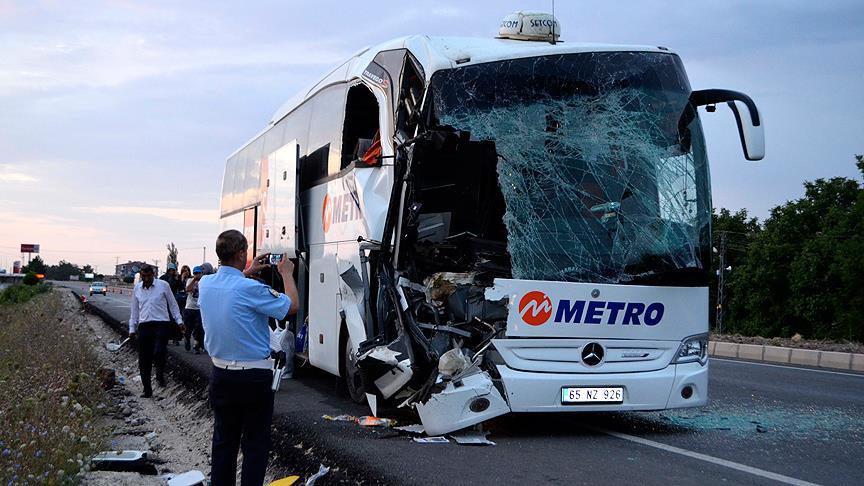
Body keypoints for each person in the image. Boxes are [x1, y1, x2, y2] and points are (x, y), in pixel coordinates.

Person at [199, 230, 298, 486]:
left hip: (220, 374)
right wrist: (286, 273)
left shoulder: (206, 284)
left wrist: (247, 271)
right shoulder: (252, 288)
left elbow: (230, 287)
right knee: (254, 445)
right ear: (242, 253)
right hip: (254, 378)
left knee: (224, 443)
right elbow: (291, 306)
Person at [129, 265, 184, 398]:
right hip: (144, 325)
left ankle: (160, 373)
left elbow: (172, 304)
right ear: (141, 276)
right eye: (144, 276)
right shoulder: (137, 288)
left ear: (153, 274)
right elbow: (134, 310)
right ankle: (147, 389)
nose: (147, 279)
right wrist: (132, 328)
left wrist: (179, 321)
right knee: (144, 359)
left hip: (162, 324)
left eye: (149, 276)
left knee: (159, 351)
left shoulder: (163, 285)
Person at [161, 263, 184, 345]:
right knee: (166, 320)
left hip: (174, 300)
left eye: (173, 270)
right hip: (164, 301)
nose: (171, 271)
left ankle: (176, 338)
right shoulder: (163, 278)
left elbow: (181, 288)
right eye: (170, 270)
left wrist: (178, 279)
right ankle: (166, 338)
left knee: (175, 320)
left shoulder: (176, 278)